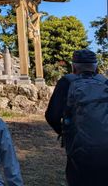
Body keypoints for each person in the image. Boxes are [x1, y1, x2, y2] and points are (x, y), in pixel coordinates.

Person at [45, 49, 108, 186]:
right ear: (96, 66)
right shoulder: (105, 82)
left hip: (79, 148)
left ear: (73, 66)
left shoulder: (67, 82)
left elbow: (52, 116)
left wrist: (64, 133)